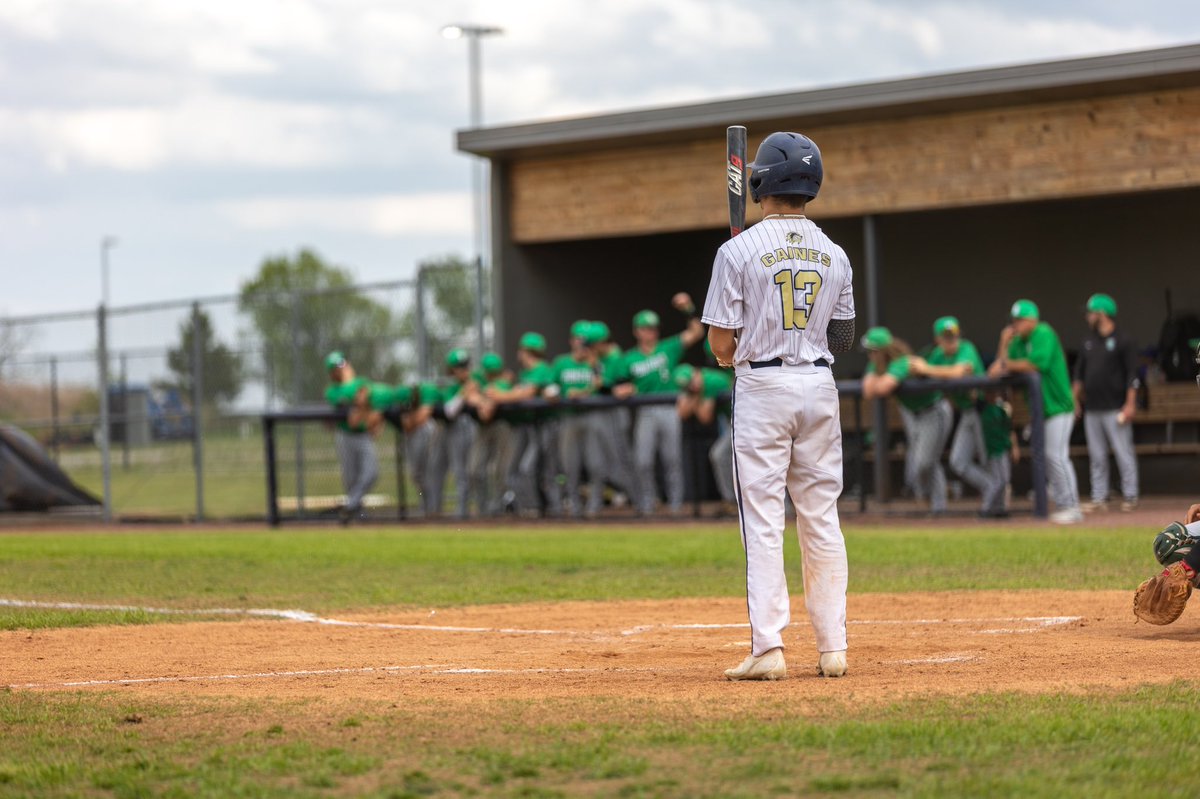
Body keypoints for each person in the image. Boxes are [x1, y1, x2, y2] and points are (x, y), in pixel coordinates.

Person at [702, 130, 856, 681]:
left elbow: (721, 342)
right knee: (822, 516)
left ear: (760, 182)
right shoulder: (836, 253)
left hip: (763, 387)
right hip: (819, 385)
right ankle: (833, 647)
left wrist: (733, 354)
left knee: (764, 520)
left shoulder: (736, 250)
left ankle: (768, 648)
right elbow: (843, 339)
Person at [987, 299, 1082, 524]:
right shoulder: (1018, 342)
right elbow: (995, 371)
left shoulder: (1043, 332)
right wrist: (1003, 343)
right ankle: (1064, 503)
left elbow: (1035, 364)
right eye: (1014, 320)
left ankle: (1071, 507)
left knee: (1056, 456)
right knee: (1049, 457)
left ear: (1032, 320)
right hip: (1041, 412)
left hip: (1059, 406)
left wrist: (1008, 363)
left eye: (1020, 320)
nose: (1015, 325)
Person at [860, 327, 970, 514]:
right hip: (912, 414)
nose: (870, 356)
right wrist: (877, 378)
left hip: (933, 411)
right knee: (921, 464)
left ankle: (937, 501)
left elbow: (883, 388)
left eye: (873, 351)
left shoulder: (903, 362)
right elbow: (868, 391)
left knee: (924, 462)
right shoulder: (876, 365)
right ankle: (937, 506)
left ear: (883, 351)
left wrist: (879, 380)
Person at [618, 295, 705, 516]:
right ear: (637, 331)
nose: (651, 332)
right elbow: (615, 385)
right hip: (645, 410)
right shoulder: (629, 358)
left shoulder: (668, 347)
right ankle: (648, 504)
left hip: (669, 407)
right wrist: (625, 389)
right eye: (646, 328)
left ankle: (675, 506)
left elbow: (696, 332)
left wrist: (688, 310)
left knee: (672, 459)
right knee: (643, 460)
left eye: (653, 328)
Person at [1072, 293, 1140, 513]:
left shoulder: (1123, 339)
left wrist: (1130, 404)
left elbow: (1132, 374)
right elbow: (1079, 374)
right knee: (1097, 455)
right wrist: (1074, 399)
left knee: (1123, 452)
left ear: (1102, 313)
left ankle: (1130, 495)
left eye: (1090, 312)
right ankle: (1099, 496)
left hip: (1116, 407)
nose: (1087, 316)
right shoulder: (1087, 341)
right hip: (1093, 407)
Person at [926, 316, 999, 515]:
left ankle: (995, 505)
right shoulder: (938, 355)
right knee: (958, 461)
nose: (951, 340)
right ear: (937, 339)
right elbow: (923, 373)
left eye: (954, 336)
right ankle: (992, 488)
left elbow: (959, 372)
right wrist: (931, 370)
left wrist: (929, 370)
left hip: (986, 410)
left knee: (989, 459)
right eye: (946, 337)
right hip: (968, 412)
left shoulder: (967, 348)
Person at [487, 332, 562, 517]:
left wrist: (499, 395)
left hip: (546, 425)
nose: (519, 353)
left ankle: (552, 509)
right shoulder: (524, 373)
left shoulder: (543, 369)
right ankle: (531, 507)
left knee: (540, 469)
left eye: (522, 350)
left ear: (528, 351)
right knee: (519, 469)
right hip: (529, 426)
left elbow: (526, 393)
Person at [553, 321, 606, 517]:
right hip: (568, 417)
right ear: (572, 341)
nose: (582, 344)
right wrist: (557, 394)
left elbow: (601, 384)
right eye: (579, 340)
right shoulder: (561, 362)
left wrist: (582, 391)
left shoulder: (596, 362)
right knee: (570, 466)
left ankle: (595, 505)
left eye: (586, 341)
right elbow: (551, 386)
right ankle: (574, 506)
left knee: (595, 463)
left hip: (591, 416)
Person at [322, 351, 379, 523]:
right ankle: (358, 515)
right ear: (331, 372)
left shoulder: (361, 382)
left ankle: (350, 506)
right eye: (337, 368)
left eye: (343, 365)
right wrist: (351, 385)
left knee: (371, 473)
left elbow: (366, 398)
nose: (342, 369)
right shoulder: (332, 391)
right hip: (344, 435)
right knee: (350, 478)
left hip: (363, 434)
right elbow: (345, 400)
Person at [672, 363, 736, 516]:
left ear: (696, 373)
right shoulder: (697, 384)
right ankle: (733, 501)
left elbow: (704, 417)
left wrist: (693, 397)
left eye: (692, 382)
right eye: (688, 386)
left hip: (746, 419)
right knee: (723, 456)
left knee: (720, 455)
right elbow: (682, 413)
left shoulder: (711, 381)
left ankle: (732, 501)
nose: (692, 386)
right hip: (732, 421)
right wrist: (693, 395)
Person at [467, 352, 515, 516]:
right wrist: (482, 400)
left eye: (495, 372)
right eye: (490, 372)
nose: (492, 375)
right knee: (474, 469)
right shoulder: (478, 378)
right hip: (483, 428)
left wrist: (483, 400)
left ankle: (498, 508)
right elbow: (470, 395)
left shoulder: (503, 382)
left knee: (502, 470)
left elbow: (487, 412)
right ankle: (483, 508)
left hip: (502, 426)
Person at [439, 348, 481, 518]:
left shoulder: (477, 381)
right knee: (460, 471)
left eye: (465, 366)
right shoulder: (452, 388)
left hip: (475, 429)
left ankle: (484, 509)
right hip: (456, 430)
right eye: (459, 367)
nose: (463, 370)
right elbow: (450, 411)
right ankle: (462, 511)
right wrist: (464, 393)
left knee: (477, 470)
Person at [979, 385, 1018, 518]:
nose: (993, 395)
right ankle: (986, 508)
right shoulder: (988, 411)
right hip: (996, 451)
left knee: (1004, 480)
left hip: (1000, 450)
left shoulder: (1001, 409)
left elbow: (1009, 428)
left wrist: (1013, 447)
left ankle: (999, 508)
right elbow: (1001, 434)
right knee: (998, 481)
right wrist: (1010, 446)